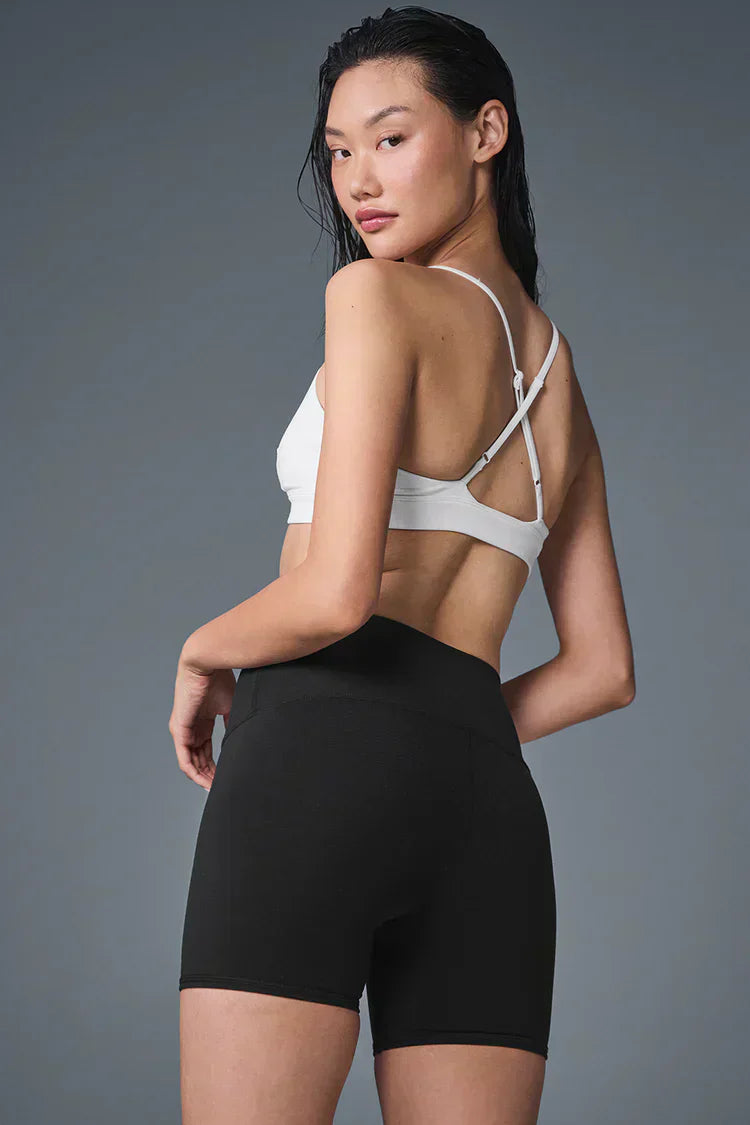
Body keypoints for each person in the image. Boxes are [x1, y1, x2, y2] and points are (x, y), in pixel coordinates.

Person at [169, 7, 635, 1123]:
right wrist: (440, 726)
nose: (357, 181)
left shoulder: (373, 294)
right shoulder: (560, 382)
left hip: (315, 762)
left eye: (390, 137)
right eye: (338, 151)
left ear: (486, 132)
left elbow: (337, 593)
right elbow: (603, 670)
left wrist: (199, 651)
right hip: (485, 807)